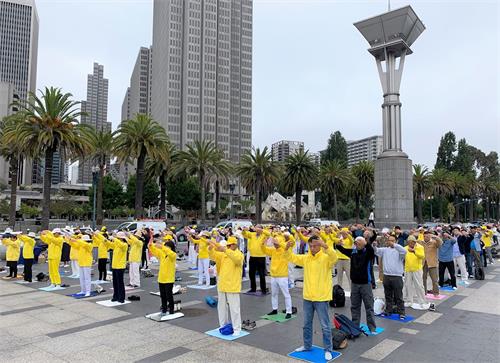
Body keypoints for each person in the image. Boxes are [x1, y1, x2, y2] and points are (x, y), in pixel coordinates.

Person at [285, 235, 338, 361]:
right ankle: (307, 345)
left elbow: (334, 257)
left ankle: (328, 349)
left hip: (321, 297)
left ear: (319, 245)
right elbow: (291, 257)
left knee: (325, 325)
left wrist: (326, 245)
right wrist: (287, 249)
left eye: (315, 245)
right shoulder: (306, 258)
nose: (313, 248)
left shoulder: (326, 258)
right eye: (311, 246)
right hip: (308, 296)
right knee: (306, 324)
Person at [335, 236, 377, 333]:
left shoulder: (368, 253)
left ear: (363, 244)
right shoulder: (353, 253)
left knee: (369, 306)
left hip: (365, 284)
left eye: (358, 243)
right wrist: (338, 243)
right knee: (354, 306)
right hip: (354, 284)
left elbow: (371, 249)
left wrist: (366, 241)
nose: (356, 244)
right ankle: (355, 326)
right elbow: (341, 249)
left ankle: (372, 328)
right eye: (355, 243)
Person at [208, 236, 244, 336]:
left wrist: (225, 250)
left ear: (235, 245)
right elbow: (213, 256)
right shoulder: (224, 254)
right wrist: (210, 248)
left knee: (234, 308)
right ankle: (222, 325)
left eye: (230, 245)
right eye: (227, 245)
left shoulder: (239, 254)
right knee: (221, 307)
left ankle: (237, 328)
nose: (228, 247)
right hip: (222, 284)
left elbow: (236, 260)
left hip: (232, 285)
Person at [373, 234, 407, 320]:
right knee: (388, 295)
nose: (390, 242)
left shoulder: (399, 250)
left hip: (397, 276)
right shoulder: (385, 250)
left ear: (396, 241)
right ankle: (388, 310)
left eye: (393, 240)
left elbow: (404, 251)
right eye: (389, 241)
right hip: (387, 276)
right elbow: (376, 251)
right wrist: (374, 245)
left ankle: (401, 312)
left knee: (398, 296)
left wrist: (394, 245)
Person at [261, 235, 293, 319]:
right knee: (274, 294)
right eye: (274, 243)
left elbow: (286, 247)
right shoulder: (273, 250)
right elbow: (264, 250)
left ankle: (289, 311)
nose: (274, 245)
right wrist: (262, 243)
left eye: (275, 243)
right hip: (274, 276)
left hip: (282, 276)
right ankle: (274, 309)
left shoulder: (285, 249)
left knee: (286, 294)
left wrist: (279, 242)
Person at [149, 237, 177, 317]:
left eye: (167, 246)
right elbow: (154, 251)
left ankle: (171, 310)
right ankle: (164, 309)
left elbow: (170, 253)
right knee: (163, 295)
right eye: (165, 246)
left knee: (169, 295)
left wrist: (162, 247)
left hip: (169, 279)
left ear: (171, 247)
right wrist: (151, 245)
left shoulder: (173, 255)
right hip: (161, 278)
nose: (165, 248)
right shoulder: (162, 254)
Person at [242, 226, 271, 294]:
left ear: (261, 229)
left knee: (262, 274)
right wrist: (244, 230)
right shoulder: (252, 234)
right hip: (252, 256)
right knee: (251, 273)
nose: (256, 229)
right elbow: (244, 234)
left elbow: (269, 234)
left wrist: (261, 230)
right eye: (256, 228)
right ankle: (253, 288)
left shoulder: (264, 235)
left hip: (261, 256)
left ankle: (263, 289)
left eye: (258, 228)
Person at [403, 235, 428, 310]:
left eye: (412, 242)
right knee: (408, 285)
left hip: (417, 269)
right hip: (408, 269)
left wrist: (414, 251)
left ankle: (422, 302)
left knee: (419, 286)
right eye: (409, 242)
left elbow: (422, 256)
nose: (410, 244)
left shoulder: (420, 247)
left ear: (415, 242)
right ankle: (409, 300)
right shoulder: (405, 248)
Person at [104, 231, 128, 303]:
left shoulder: (124, 244)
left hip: (120, 266)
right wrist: (104, 240)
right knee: (115, 282)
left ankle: (121, 297)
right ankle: (116, 296)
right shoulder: (117, 244)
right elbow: (110, 244)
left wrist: (114, 238)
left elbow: (121, 245)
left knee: (120, 282)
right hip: (114, 266)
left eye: (118, 237)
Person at [419, 231, 442, 297]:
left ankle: (436, 293)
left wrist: (435, 237)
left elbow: (440, 243)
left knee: (434, 280)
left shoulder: (434, 242)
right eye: (425, 236)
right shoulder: (420, 242)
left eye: (427, 236)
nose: (426, 237)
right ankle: (424, 292)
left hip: (432, 263)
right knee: (423, 279)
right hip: (423, 263)